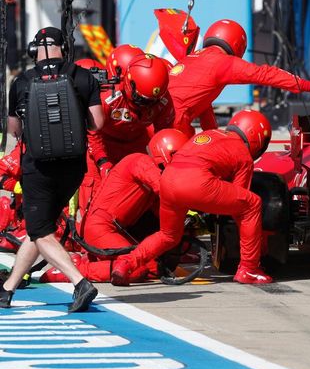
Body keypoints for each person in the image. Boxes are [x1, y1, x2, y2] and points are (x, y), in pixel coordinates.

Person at [0, 27, 104, 311]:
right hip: (73, 168)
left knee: (39, 230)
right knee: (42, 227)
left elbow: (15, 130)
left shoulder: (22, 81)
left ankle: (80, 283)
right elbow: (97, 124)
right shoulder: (83, 77)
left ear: (35, 49)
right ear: (64, 47)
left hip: (38, 169)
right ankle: (7, 289)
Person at [111, 110, 273, 286]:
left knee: (168, 235)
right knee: (252, 204)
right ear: (256, 137)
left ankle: (126, 262)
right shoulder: (243, 153)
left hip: (168, 180)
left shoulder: (209, 133)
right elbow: (239, 205)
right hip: (197, 182)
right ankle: (248, 269)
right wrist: (257, 238)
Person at [41, 129, 189, 283]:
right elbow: (165, 190)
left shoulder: (148, 167)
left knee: (153, 264)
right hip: (101, 228)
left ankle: (89, 262)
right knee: (142, 269)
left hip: (109, 228)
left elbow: (162, 211)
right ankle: (75, 270)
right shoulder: (142, 162)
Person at [167, 19, 310, 137]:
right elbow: (266, 74)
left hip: (157, 116)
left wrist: (213, 136)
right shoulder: (224, 62)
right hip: (174, 123)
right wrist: (308, 85)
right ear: (237, 44)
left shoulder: (191, 58)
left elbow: (203, 104)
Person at [79, 54, 175, 218]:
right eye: (143, 100)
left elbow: (164, 136)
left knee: (146, 193)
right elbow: (92, 132)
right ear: (129, 84)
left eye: (152, 101)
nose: (147, 106)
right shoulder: (108, 97)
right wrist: (103, 161)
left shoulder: (163, 102)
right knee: (95, 201)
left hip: (136, 147)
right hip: (102, 147)